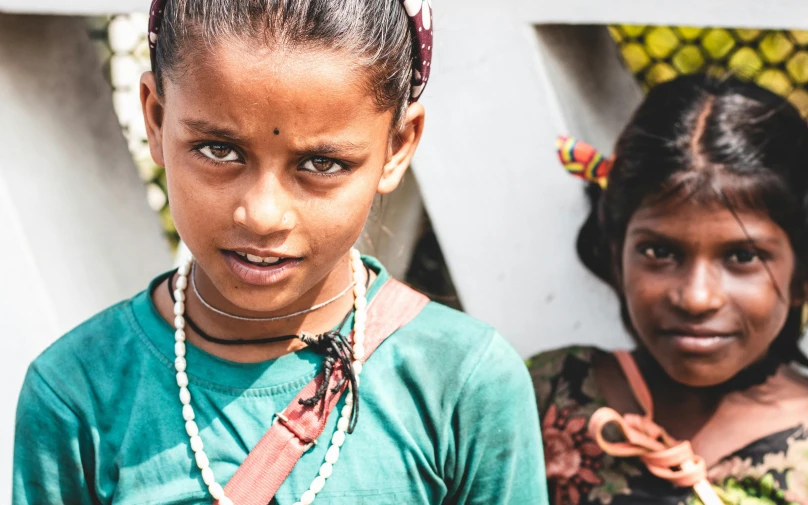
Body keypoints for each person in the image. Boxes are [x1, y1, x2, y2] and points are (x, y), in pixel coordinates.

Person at [13, 1, 548, 504]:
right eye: (218, 150)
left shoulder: (463, 385)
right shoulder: (77, 394)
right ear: (156, 119)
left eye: (321, 164)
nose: (264, 215)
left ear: (397, 145)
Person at [531, 74, 808, 505]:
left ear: (801, 276)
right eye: (659, 251)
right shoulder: (546, 399)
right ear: (615, 252)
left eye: (742, 257)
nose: (697, 297)